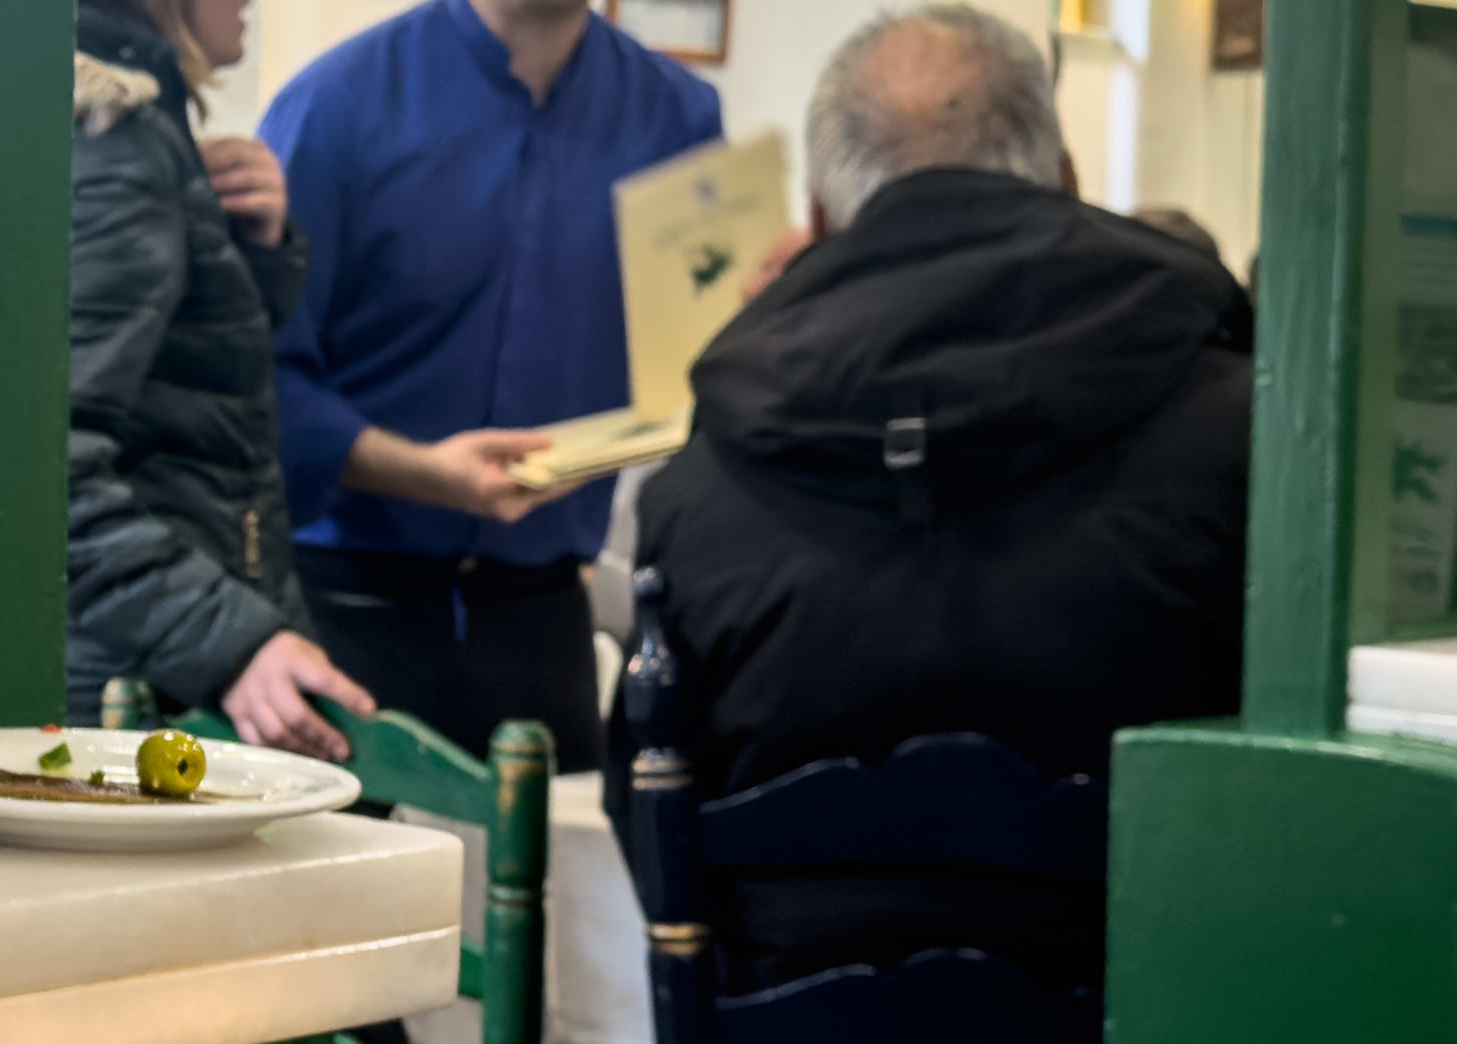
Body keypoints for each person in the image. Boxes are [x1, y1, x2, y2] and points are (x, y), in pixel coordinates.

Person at [631, 4, 1251, 798]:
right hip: (1129, 921)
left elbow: (654, 809)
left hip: (788, 923)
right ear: (1066, 179)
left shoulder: (703, 480)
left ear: (819, 220)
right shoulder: (1238, 434)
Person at [261, 0, 721, 766]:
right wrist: (417, 472)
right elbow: (262, 371)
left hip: (541, 618)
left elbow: (703, 356)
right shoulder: (334, 103)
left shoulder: (679, 118)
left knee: (560, 885)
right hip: (344, 609)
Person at [66, 0, 376, 756]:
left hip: (141, 662)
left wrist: (247, 252)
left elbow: (173, 399)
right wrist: (233, 643)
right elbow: (41, 462)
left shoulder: (129, 130)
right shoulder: (120, 144)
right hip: (134, 688)